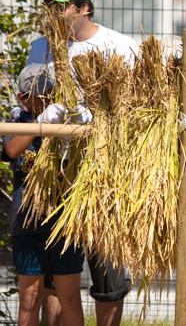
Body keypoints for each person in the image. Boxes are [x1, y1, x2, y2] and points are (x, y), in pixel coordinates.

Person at [26, 0, 135, 326]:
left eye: (61, 5)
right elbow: (28, 100)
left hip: (105, 170)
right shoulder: (41, 47)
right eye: (48, 5)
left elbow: (138, 107)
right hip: (55, 170)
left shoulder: (119, 46)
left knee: (108, 273)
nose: (53, 13)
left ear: (84, 6)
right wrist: (46, 107)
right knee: (58, 272)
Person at [2, 64, 85, 326]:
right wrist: (40, 124)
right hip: (27, 220)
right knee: (30, 297)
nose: (47, 100)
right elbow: (12, 151)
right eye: (41, 96)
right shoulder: (17, 119)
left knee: (69, 296)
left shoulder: (67, 117)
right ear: (22, 97)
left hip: (65, 220)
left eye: (51, 94)